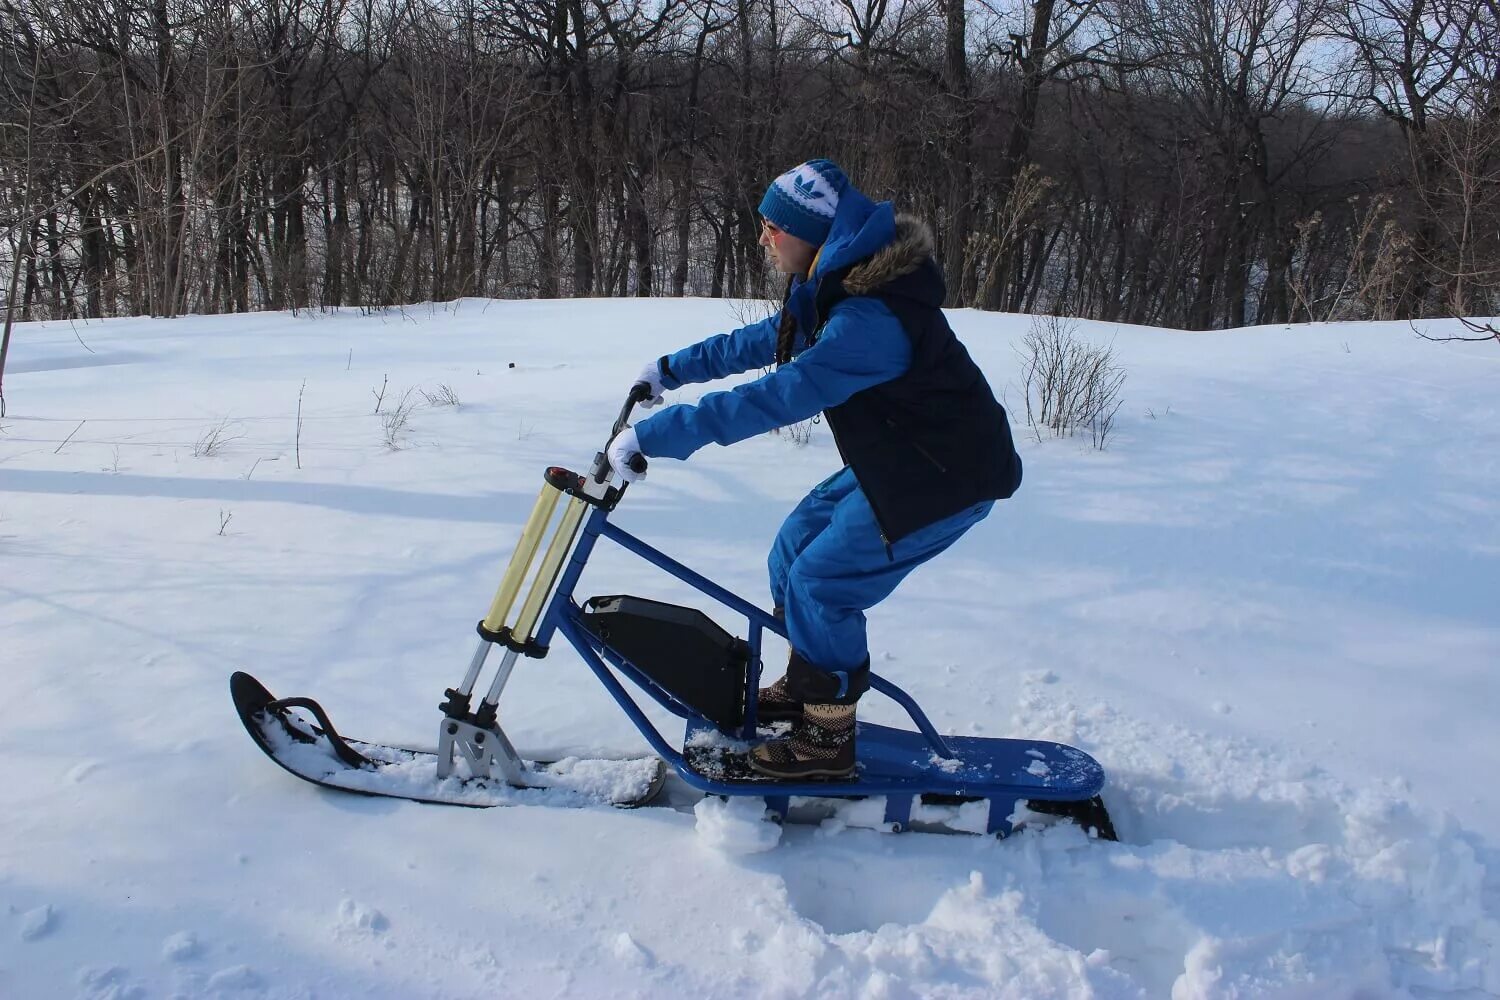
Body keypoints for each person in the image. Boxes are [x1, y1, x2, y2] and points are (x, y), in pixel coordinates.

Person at [605, 159, 1021, 781]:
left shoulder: (868, 321)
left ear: (816, 234)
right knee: (792, 551)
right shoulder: (840, 284)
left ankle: (828, 740)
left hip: (946, 478)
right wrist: (670, 369)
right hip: (901, 462)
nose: (765, 239)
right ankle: (811, 688)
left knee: (822, 584)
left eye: (775, 228)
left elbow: (780, 394)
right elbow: (768, 339)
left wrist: (657, 436)